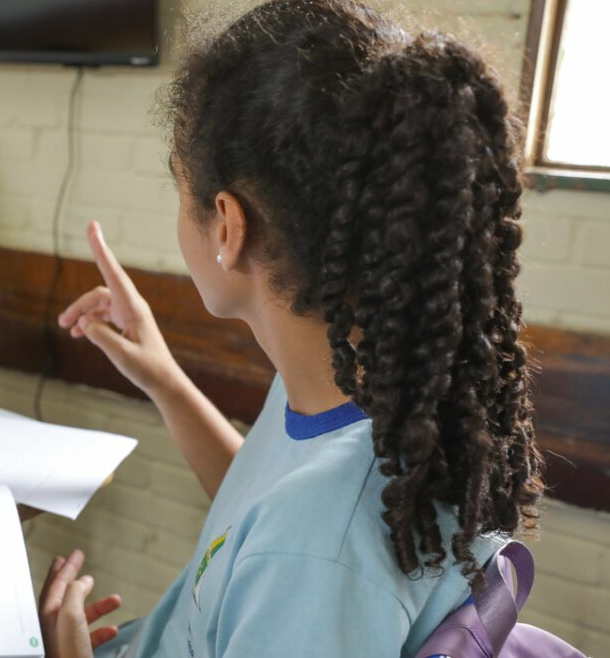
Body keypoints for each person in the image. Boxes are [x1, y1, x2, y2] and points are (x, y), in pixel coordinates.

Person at [37, 1, 544, 656]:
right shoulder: (358, 386)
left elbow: (300, 543)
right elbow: (262, 517)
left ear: (228, 225)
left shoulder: (319, 553)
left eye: (180, 190)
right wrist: (165, 380)